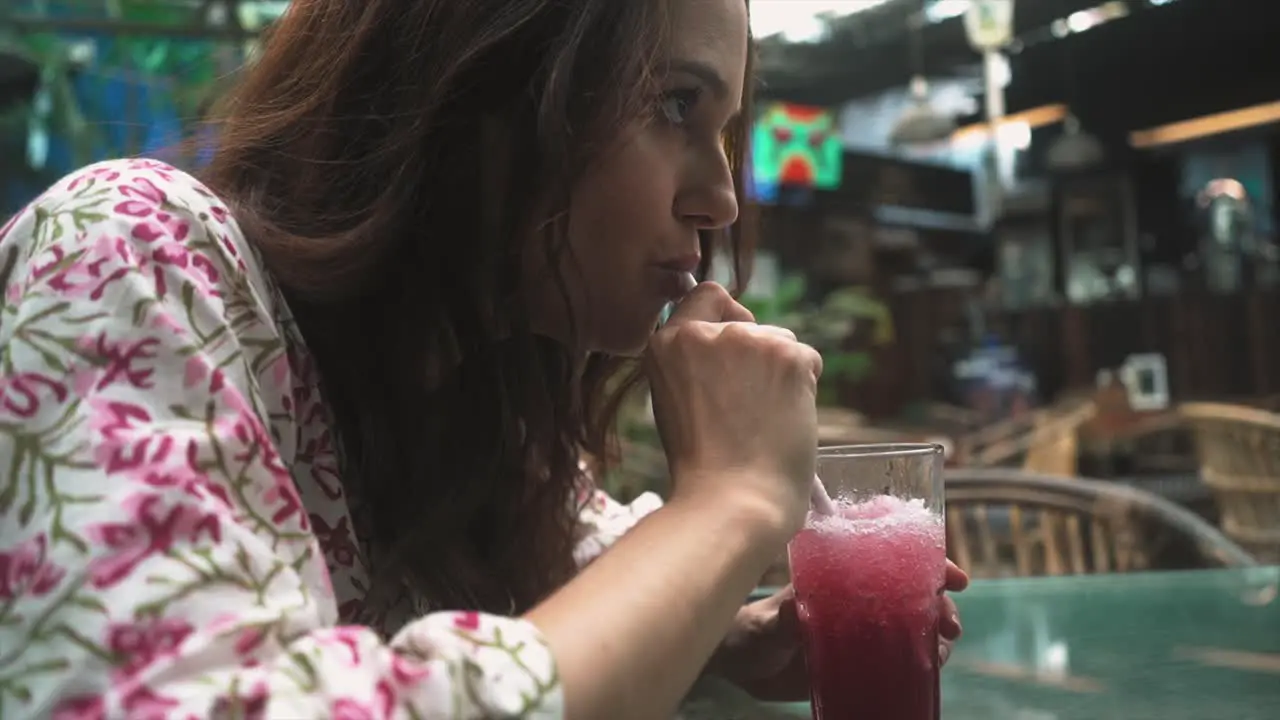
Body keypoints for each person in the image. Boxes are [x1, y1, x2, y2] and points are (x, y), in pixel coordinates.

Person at [0, 0, 966, 717]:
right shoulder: (130, 247)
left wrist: (722, 630)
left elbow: (582, 550)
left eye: (723, 133)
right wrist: (731, 506)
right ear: (479, 82)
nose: (720, 200)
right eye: (675, 104)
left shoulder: (479, 392)